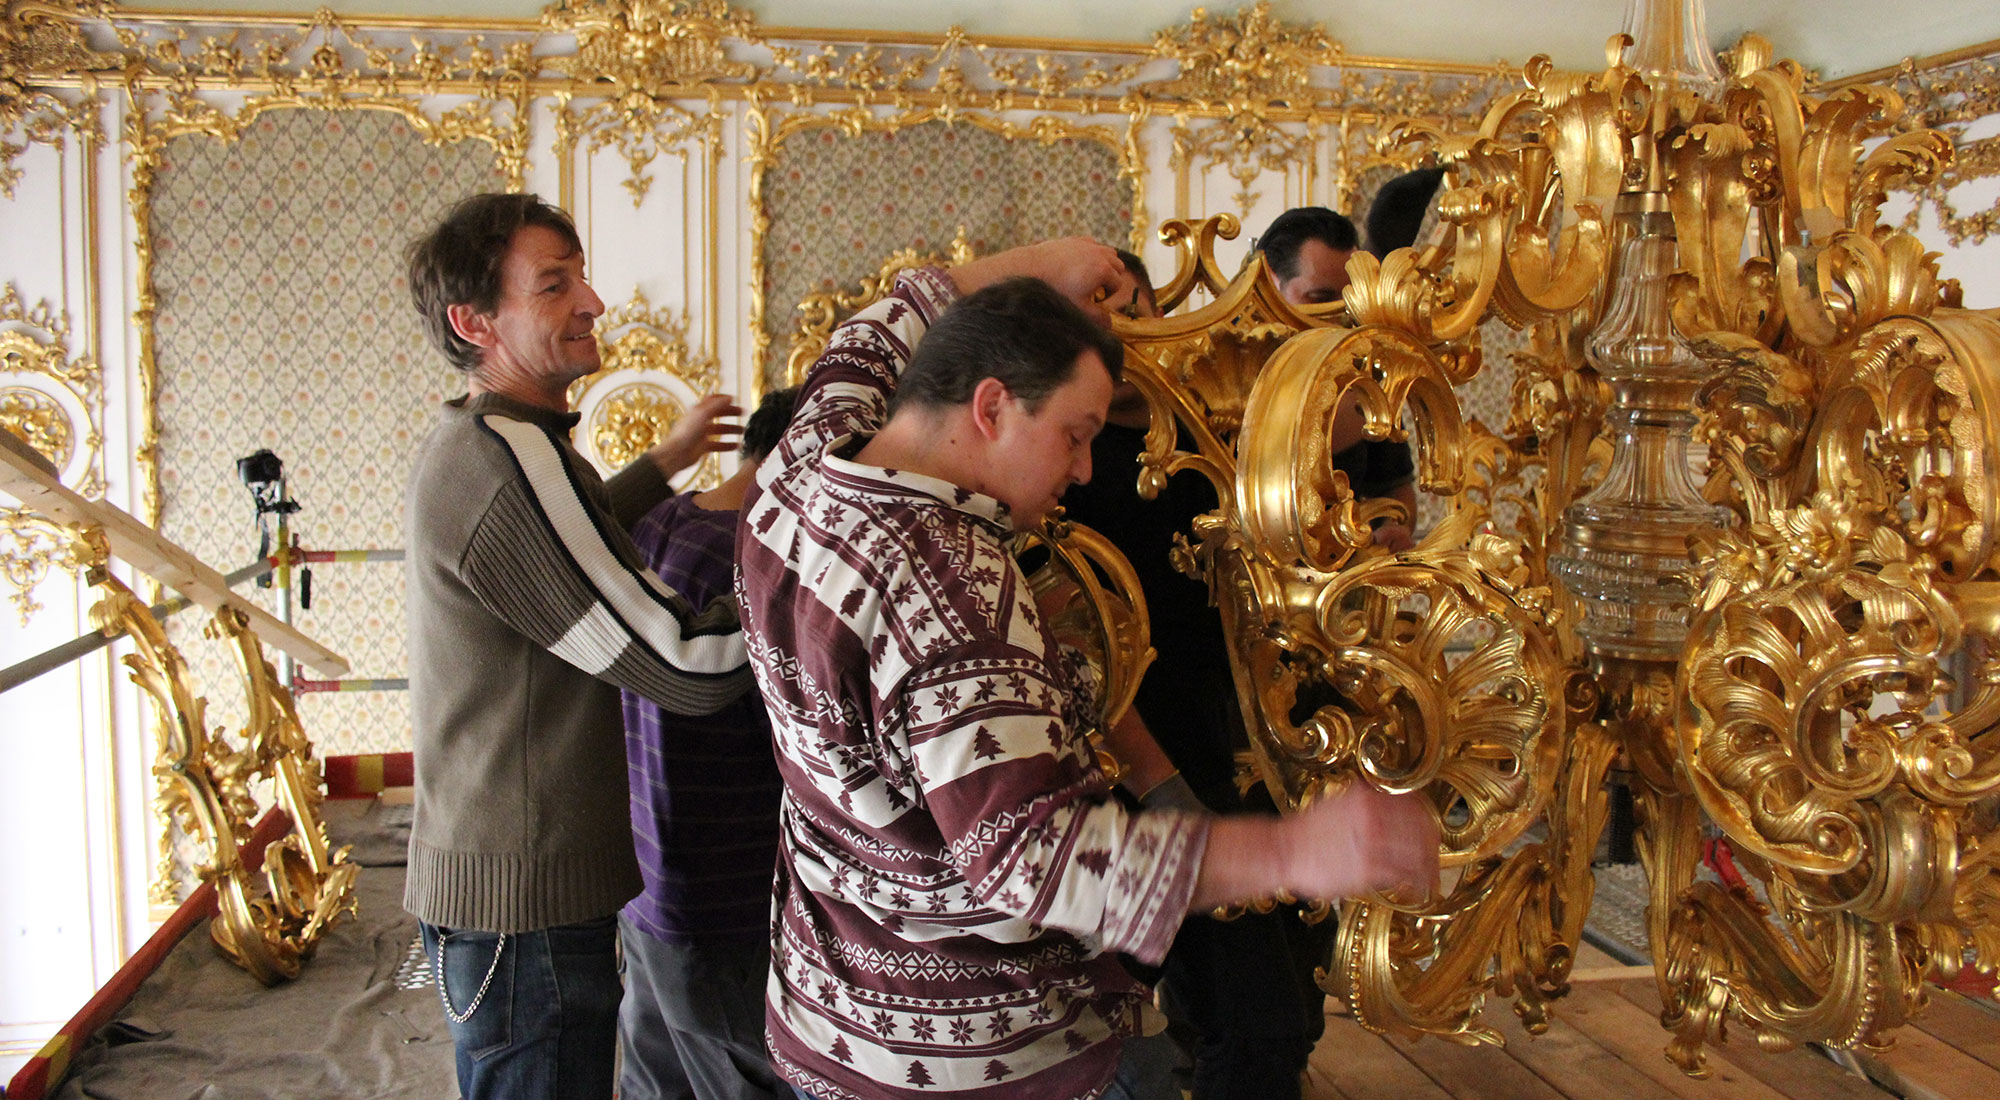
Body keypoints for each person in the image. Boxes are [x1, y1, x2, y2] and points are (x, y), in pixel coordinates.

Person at [736, 237, 1438, 1100]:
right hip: (966, 1056)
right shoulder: (958, 598)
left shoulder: (801, 466)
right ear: (991, 406)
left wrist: (1046, 261)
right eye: (1075, 434)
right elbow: (1039, 864)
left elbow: (877, 325)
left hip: (827, 1007)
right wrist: (1299, 850)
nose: (1081, 469)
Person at [402, 191, 753, 1100]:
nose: (593, 301)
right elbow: (685, 665)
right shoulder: (510, 458)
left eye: (580, 275)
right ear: (474, 320)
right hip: (528, 909)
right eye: (554, 285)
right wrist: (824, 593)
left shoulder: (485, 441)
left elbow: (559, 552)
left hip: (497, 891)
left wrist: (664, 466)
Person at [1073, 252, 1326, 1100]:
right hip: (1152, 764)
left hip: (1261, 750)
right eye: (1096, 304)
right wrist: (1161, 784)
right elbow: (1083, 648)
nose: (1120, 322)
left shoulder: (1221, 432)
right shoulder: (1069, 468)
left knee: (1279, 1010)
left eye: (1130, 302)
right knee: (1251, 1021)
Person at [617, 386, 801, 1100]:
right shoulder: (755, 556)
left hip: (647, 882)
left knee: (654, 1081)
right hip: (727, 895)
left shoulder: (660, 519)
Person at [1256, 207, 1418, 551]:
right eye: (1319, 300)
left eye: (1347, 302)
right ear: (1270, 283)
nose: (1339, 319)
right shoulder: (1223, 373)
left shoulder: (1367, 378)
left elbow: (1395, 488)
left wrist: (1393, 528)